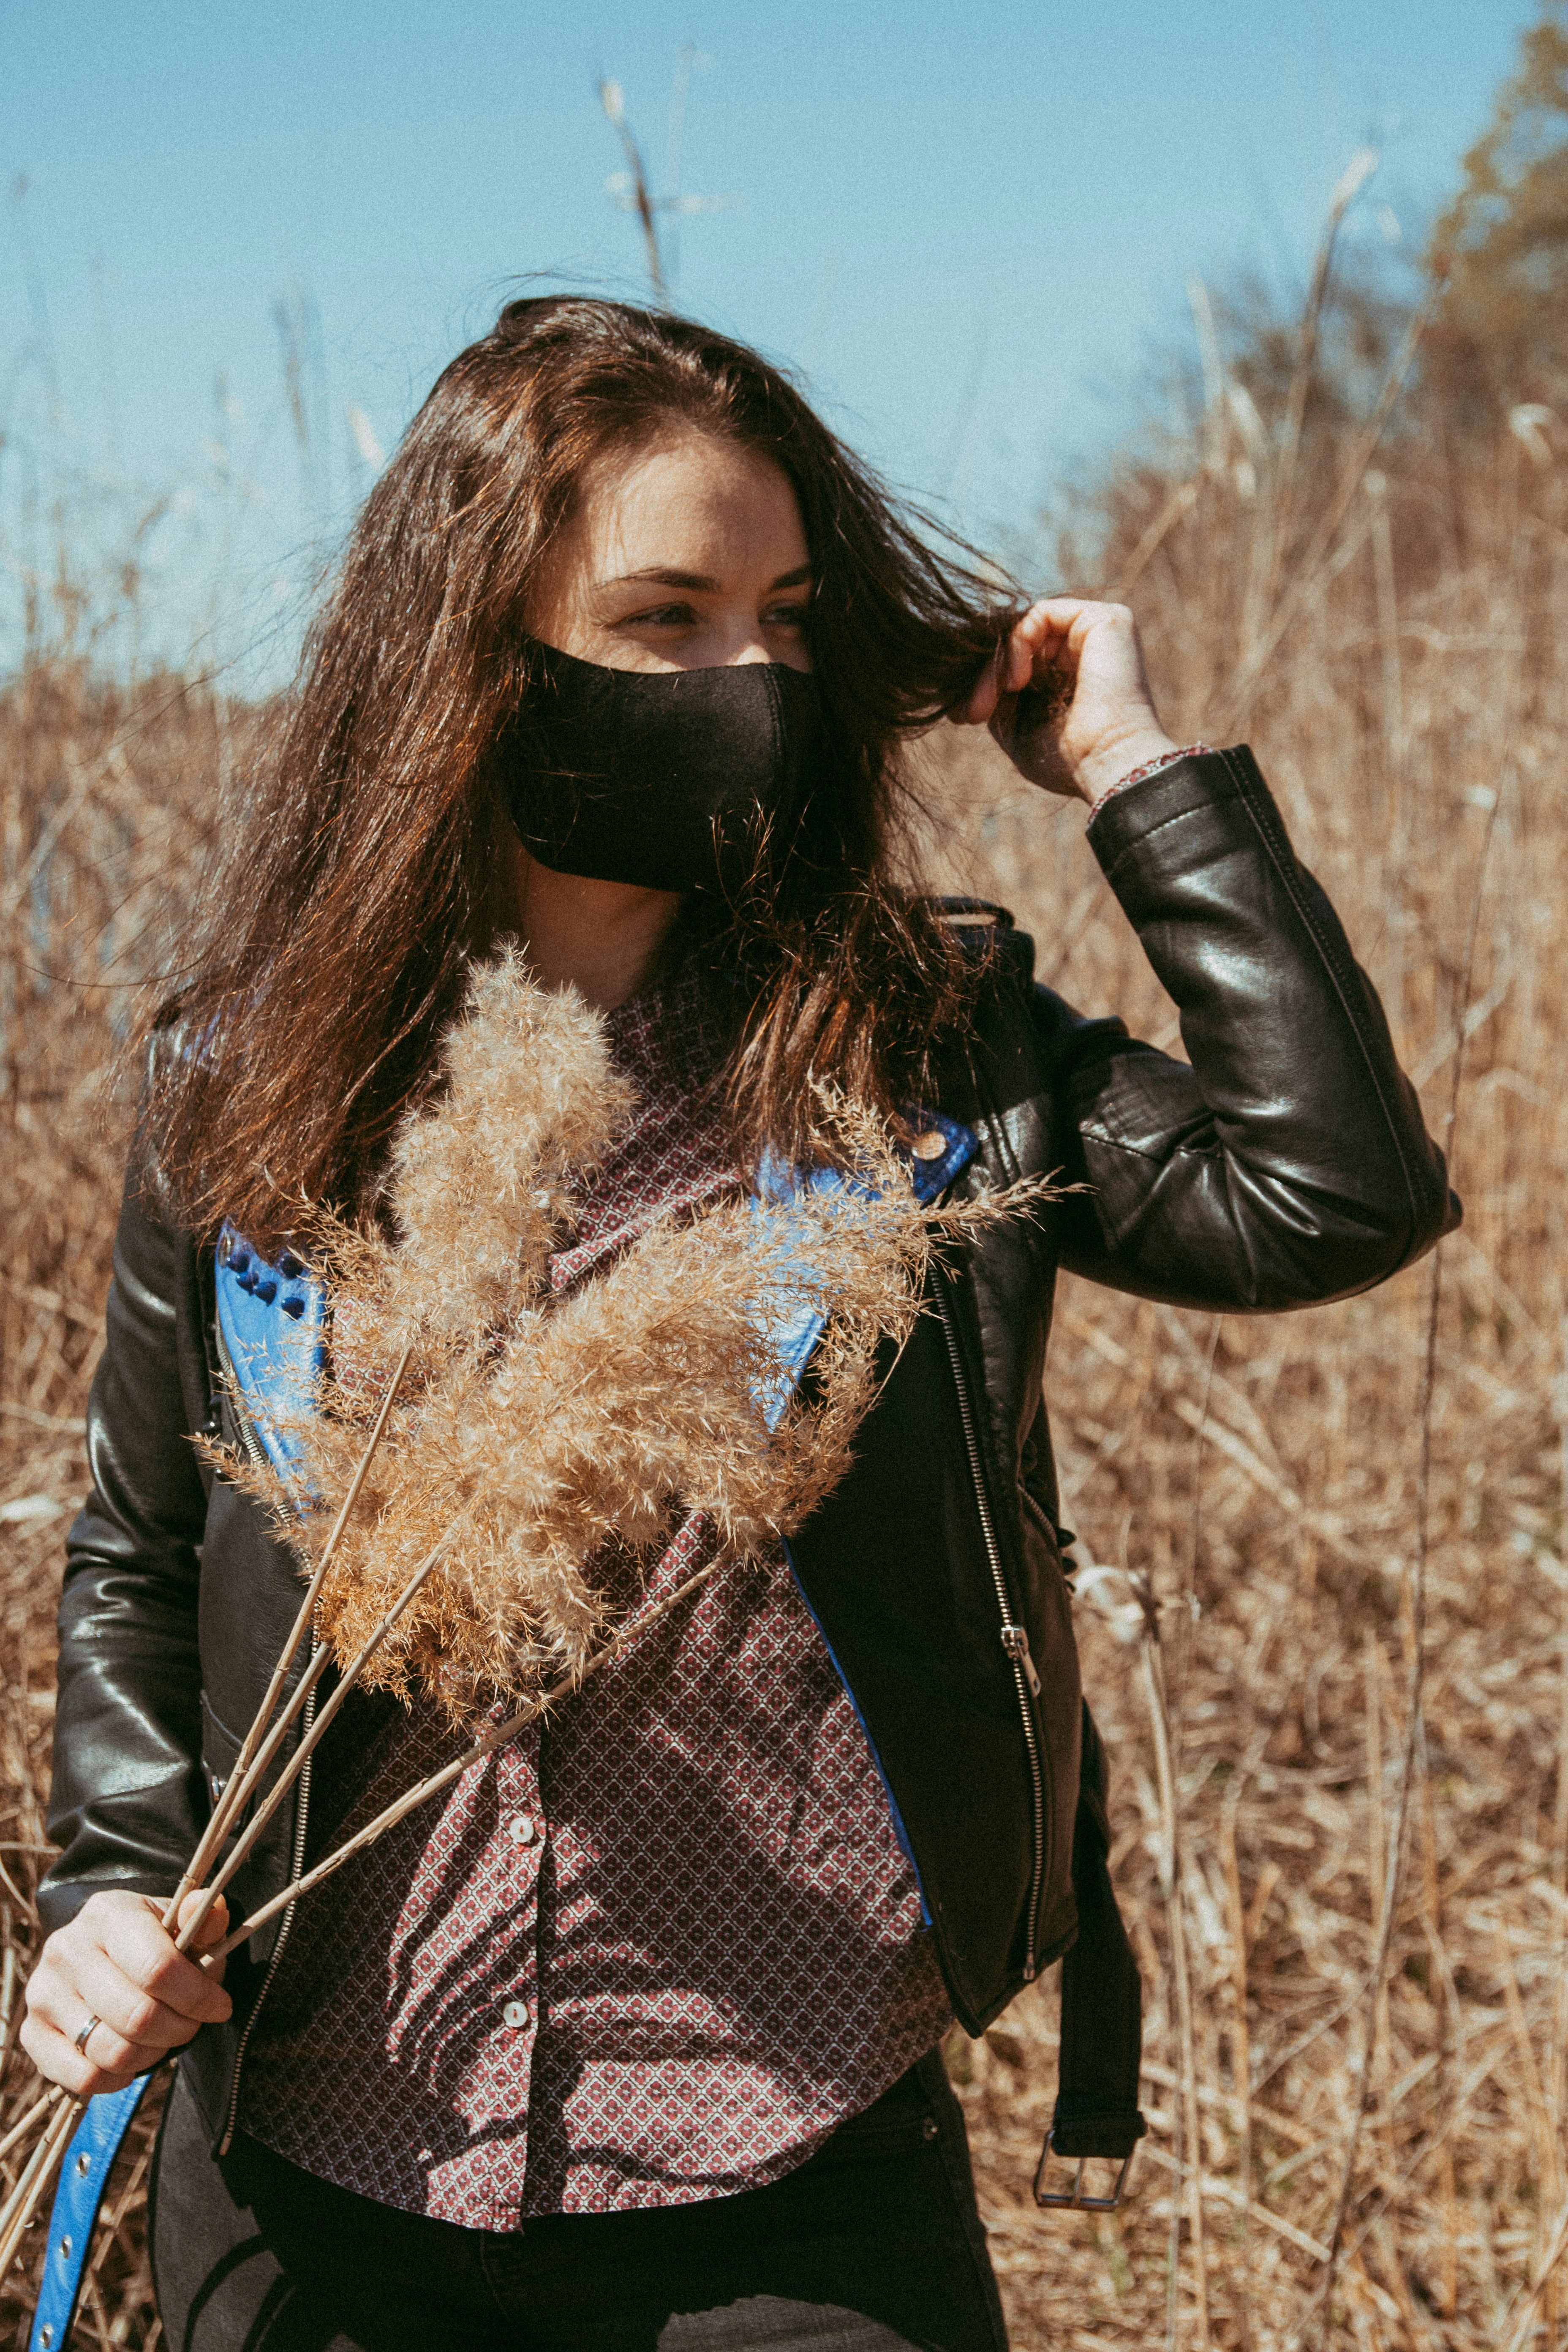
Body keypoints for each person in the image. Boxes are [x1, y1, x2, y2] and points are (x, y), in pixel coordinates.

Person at [23, 298, 1456, 2352]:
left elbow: (1334, 1193)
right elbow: (140, 1544)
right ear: (469, 667)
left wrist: (1136, 774)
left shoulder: (916, 1056)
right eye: (665, 618)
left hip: (790, 2170)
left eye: (790, 620)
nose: (752, 678)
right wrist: (109, 1891)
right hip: (317, 2164)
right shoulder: (253, 1077)